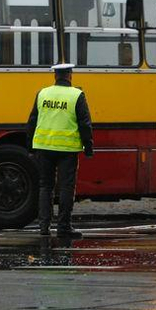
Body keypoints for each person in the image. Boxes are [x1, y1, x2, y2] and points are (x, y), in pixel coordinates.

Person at [25, 63, 94, 238]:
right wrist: (88, 146)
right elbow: (84, 123)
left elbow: (32, 120)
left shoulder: (42, 93)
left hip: (44, 147)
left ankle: (43, 227)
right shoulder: (77, 95)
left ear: (55, 76)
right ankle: (63, 227)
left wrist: (30, 146)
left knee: (45, 186)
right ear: (70, 75)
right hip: (67, 149)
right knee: (65, 187)